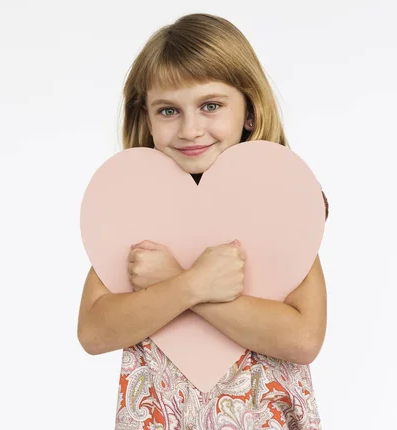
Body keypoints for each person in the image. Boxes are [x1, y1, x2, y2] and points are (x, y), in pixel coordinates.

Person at [78, 13, 329, 429]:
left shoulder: (283, 208)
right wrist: (192, 284)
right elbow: (94, 331)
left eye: (211, 106)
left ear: (249, 110)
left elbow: (303, 339)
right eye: (168, 110)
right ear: (146, 118)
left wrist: (178, 279)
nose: (191, 129)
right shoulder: (131, 214)